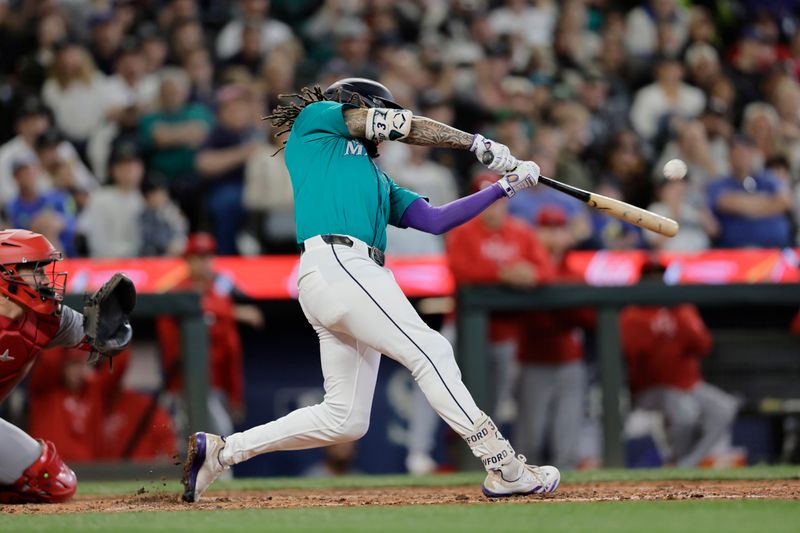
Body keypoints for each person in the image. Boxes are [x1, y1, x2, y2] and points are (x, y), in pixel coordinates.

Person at [182, 78, 559, 502]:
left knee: (345, 419)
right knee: (430, 351)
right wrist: (475, 143)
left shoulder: (376, 178)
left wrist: (503, 187)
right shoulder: (316, 122)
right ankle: (503, 465)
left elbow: (434, 221)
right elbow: (404, 125)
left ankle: (222, 452)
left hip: (343, 274)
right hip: (340, 261)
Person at [0, 229, 133, 503]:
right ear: (6, 273)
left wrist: (110, 328)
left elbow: (102, 339)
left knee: (54, 480)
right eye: (35, 270)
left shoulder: (48, 319)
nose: (44, 279)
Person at [620, 258, 738, 467]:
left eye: (659, 278)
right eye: (650, 279)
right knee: (685, 413)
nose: (656, 283)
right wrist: (661, 334)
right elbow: (634, 353)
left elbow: (703, 345)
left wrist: (680, 318)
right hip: (653, 389)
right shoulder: (632, 314)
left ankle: (688, 463)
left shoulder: (681, 308)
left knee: (725, 408)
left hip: (690, 385)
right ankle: (679, 462)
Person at [157, 233, 263, 438]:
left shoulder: (219, 295)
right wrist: (234, 312)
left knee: (221, 438)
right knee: (184, 443)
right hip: (183, 387)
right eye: (198, 257)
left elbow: (232, 351)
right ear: (188, 260)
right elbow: (171, 350)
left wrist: (235, 395)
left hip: (216, 386)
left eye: (207, 257)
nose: (204, 263)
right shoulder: (176, 292)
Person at [514, 207, 594, 470]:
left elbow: (591, 318)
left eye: (558, 229)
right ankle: (524, 483)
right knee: (530, 436)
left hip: (569, 358)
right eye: (546, 229)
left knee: (568, 432)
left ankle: (567, 491)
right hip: (533, 357)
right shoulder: (525, 268)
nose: (552, 236)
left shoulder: (574, 274)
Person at [706, 135, 793, 248]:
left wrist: (742, 204)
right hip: (735, 251)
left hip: (777, 249)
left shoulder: (769, 178)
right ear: (728, 156)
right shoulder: (718, 184)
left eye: (745, 152)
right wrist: (769, 203)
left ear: (753, 154)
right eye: (736, 153)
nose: (741, 157)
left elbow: (785, 201)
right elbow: (725, 202)